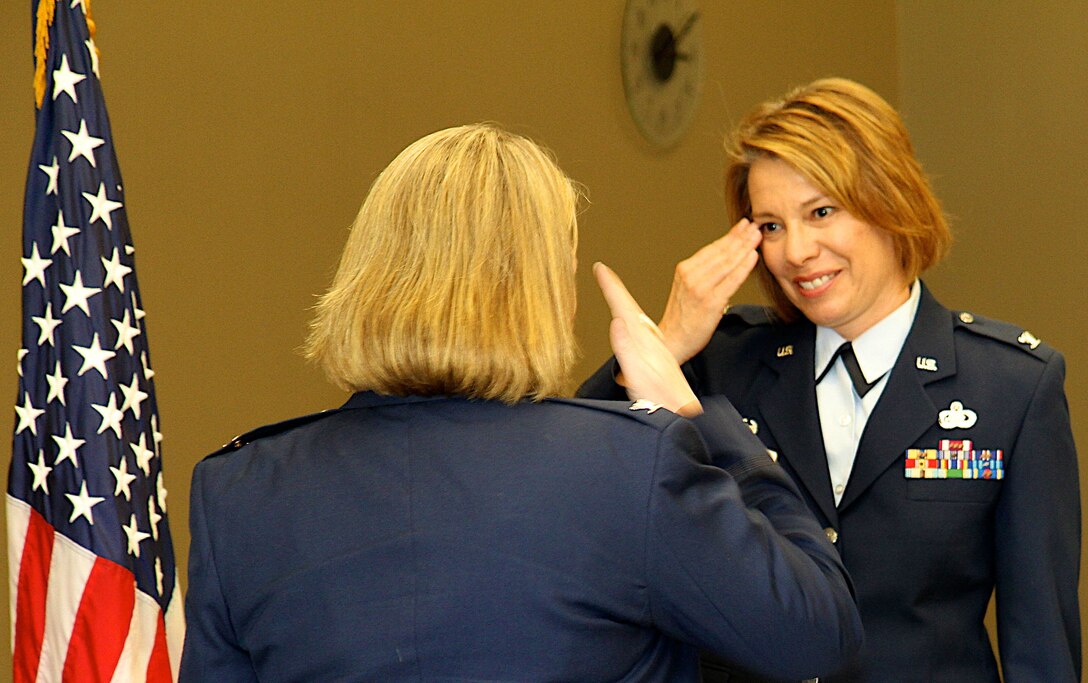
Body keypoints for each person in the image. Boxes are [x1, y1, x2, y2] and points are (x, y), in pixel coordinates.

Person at [178, 123, 862, 682]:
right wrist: (696, 417)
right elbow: (815, 633)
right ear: (537, 287)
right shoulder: (631, 466)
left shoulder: (237, 489)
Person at [580, 78, 1081, 682]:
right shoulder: (724, 362)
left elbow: (1041, 648)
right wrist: (671, 342)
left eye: (821, 212)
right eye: (770, 225)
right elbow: (579, 488)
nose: (796, 251)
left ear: (891, 201)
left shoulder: (1010, 387)